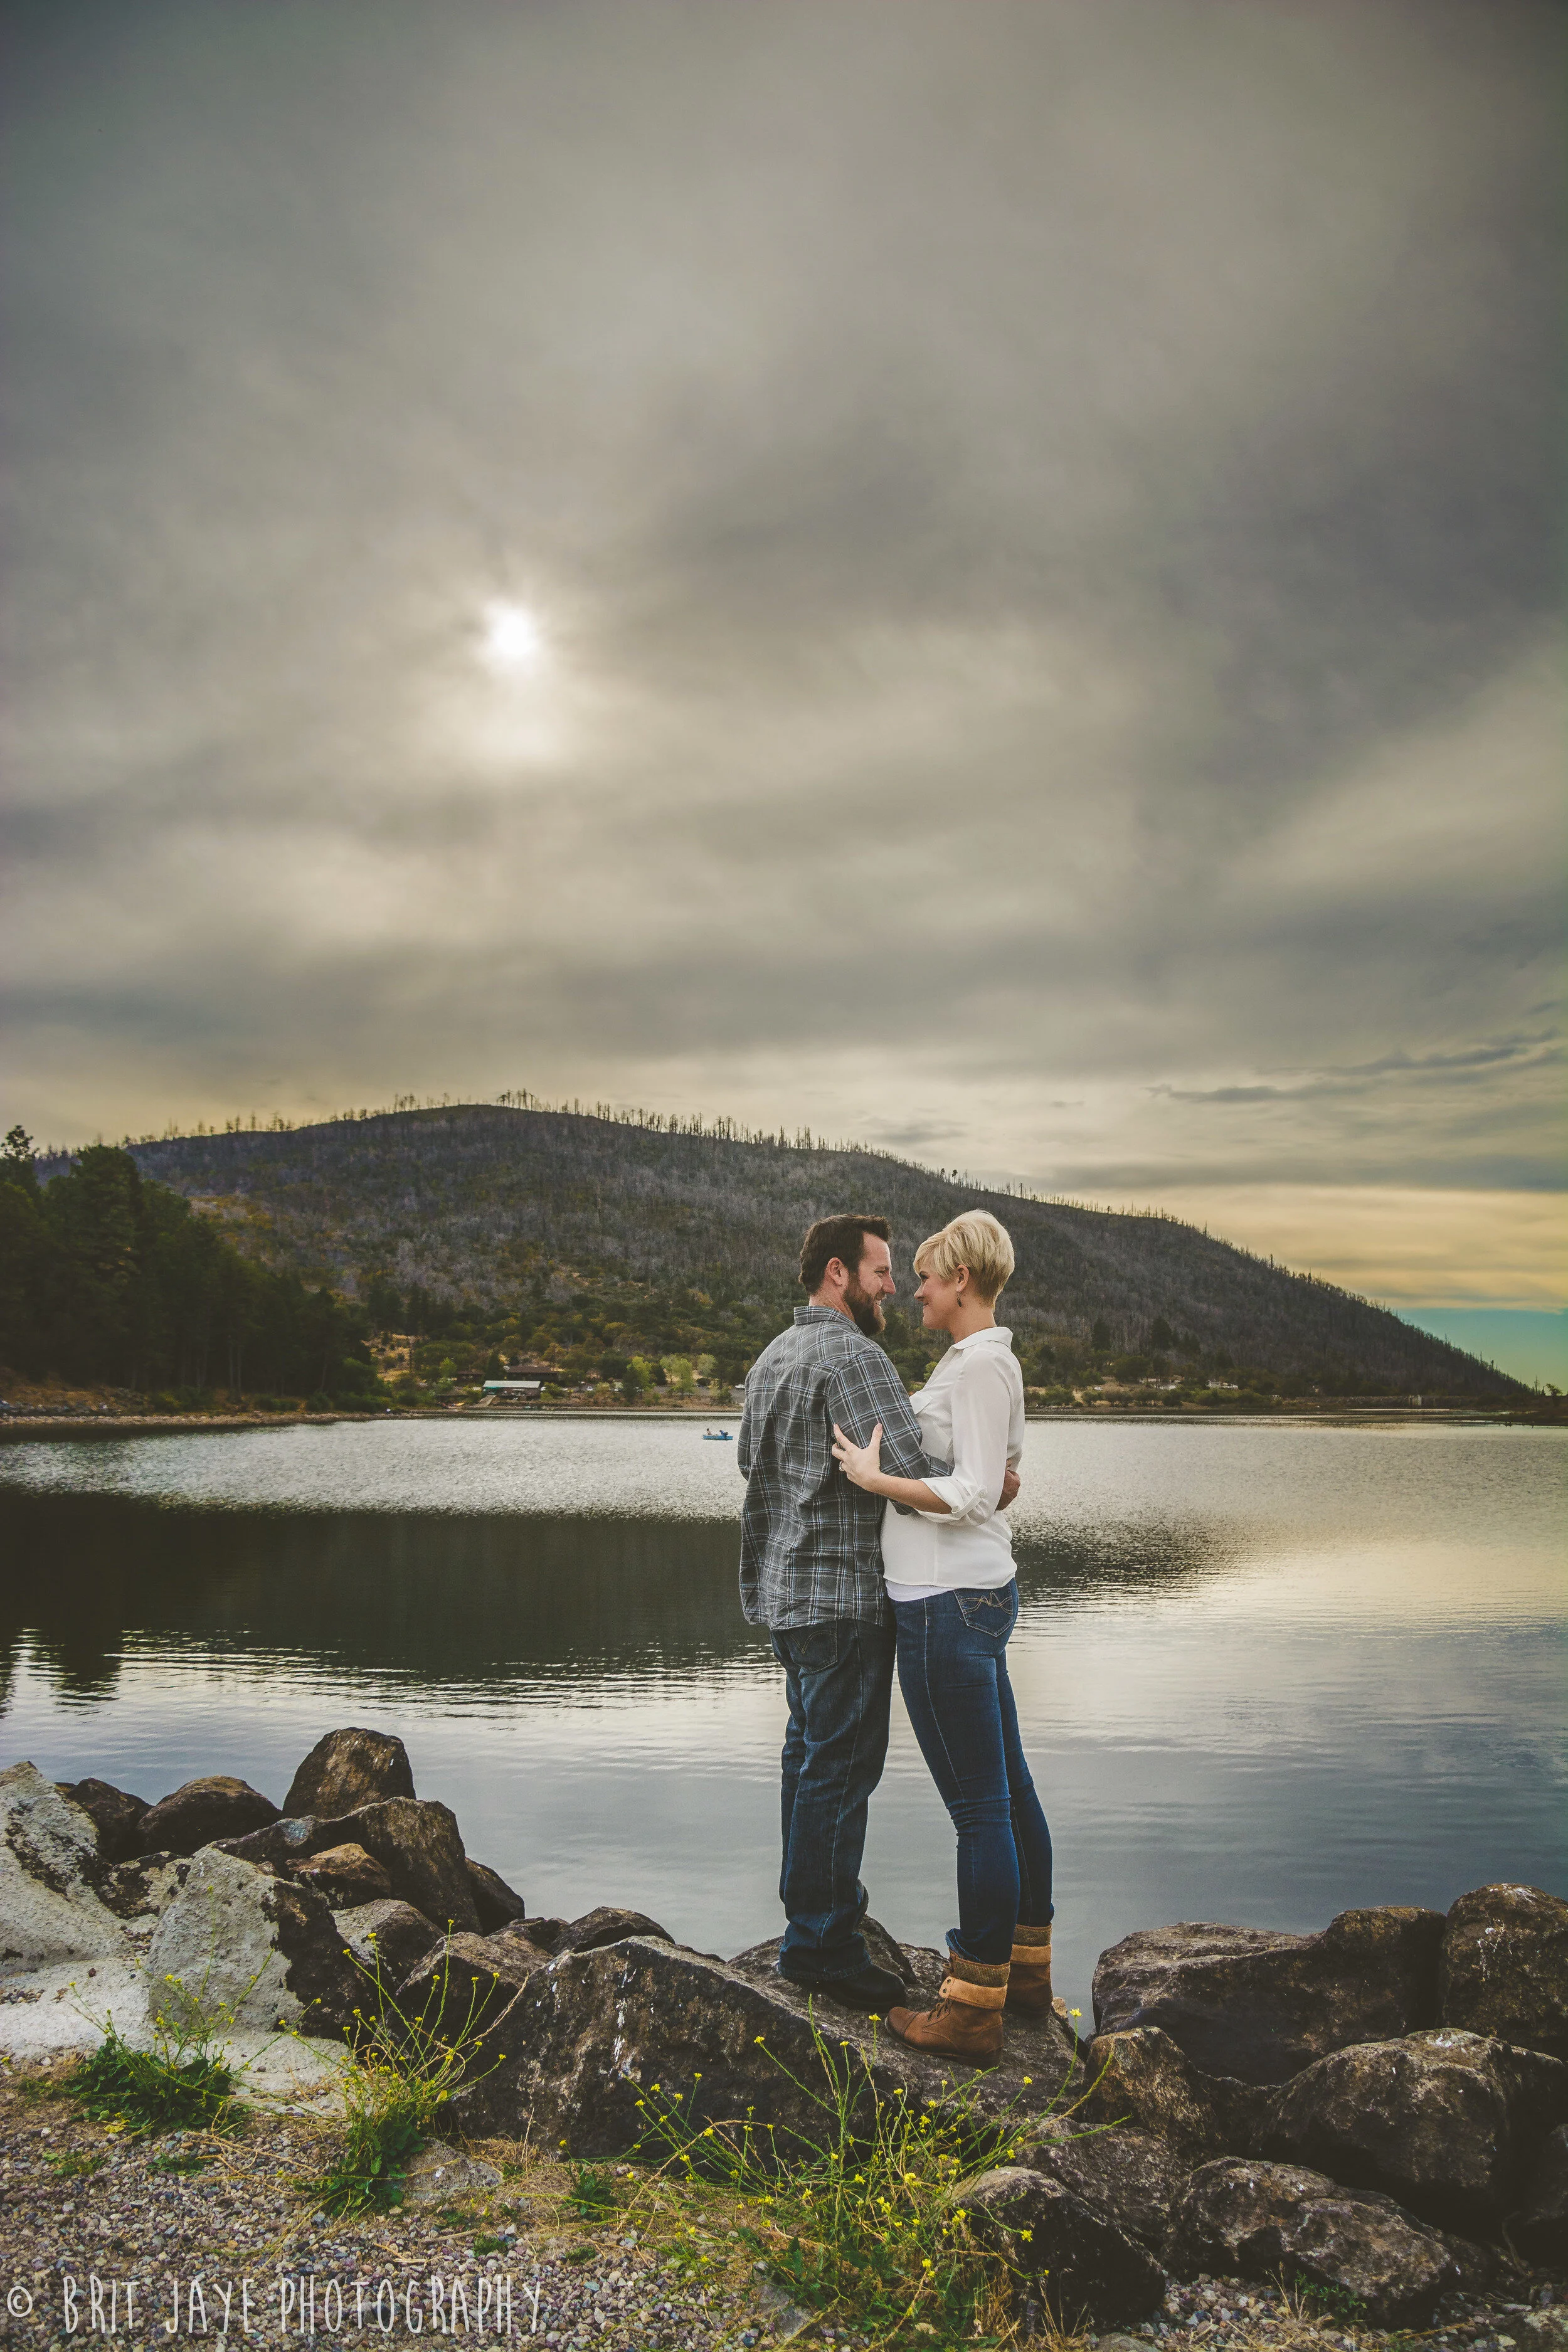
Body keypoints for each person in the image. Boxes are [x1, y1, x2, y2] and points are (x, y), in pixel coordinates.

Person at [738, 1212, 1020, 2013]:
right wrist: (988, 1482)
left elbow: (752, 1466)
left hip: (786, 1596)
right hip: (846, 1599)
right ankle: (823, 1946)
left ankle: (811, 1922)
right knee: (841, 1769)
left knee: (807, 1760)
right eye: (880, 1271)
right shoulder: (854, 1357)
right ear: (838, 1273)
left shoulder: (772, 1356)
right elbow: (905, 1472)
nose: (893, 1286)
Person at [831, 1209, 1056, 2063]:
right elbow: (996, 1478)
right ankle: (1024, 1973)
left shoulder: (981, 1365)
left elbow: (971, 1492)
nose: (915, 1290)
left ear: (961, 1279)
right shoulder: (978, 1362)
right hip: (971, 1597)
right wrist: (984, 1482)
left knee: (980, 1811)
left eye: (926, 1276)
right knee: (1010, 1794)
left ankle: (971, 2008)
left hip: (945, 1604)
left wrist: (873, 1478)